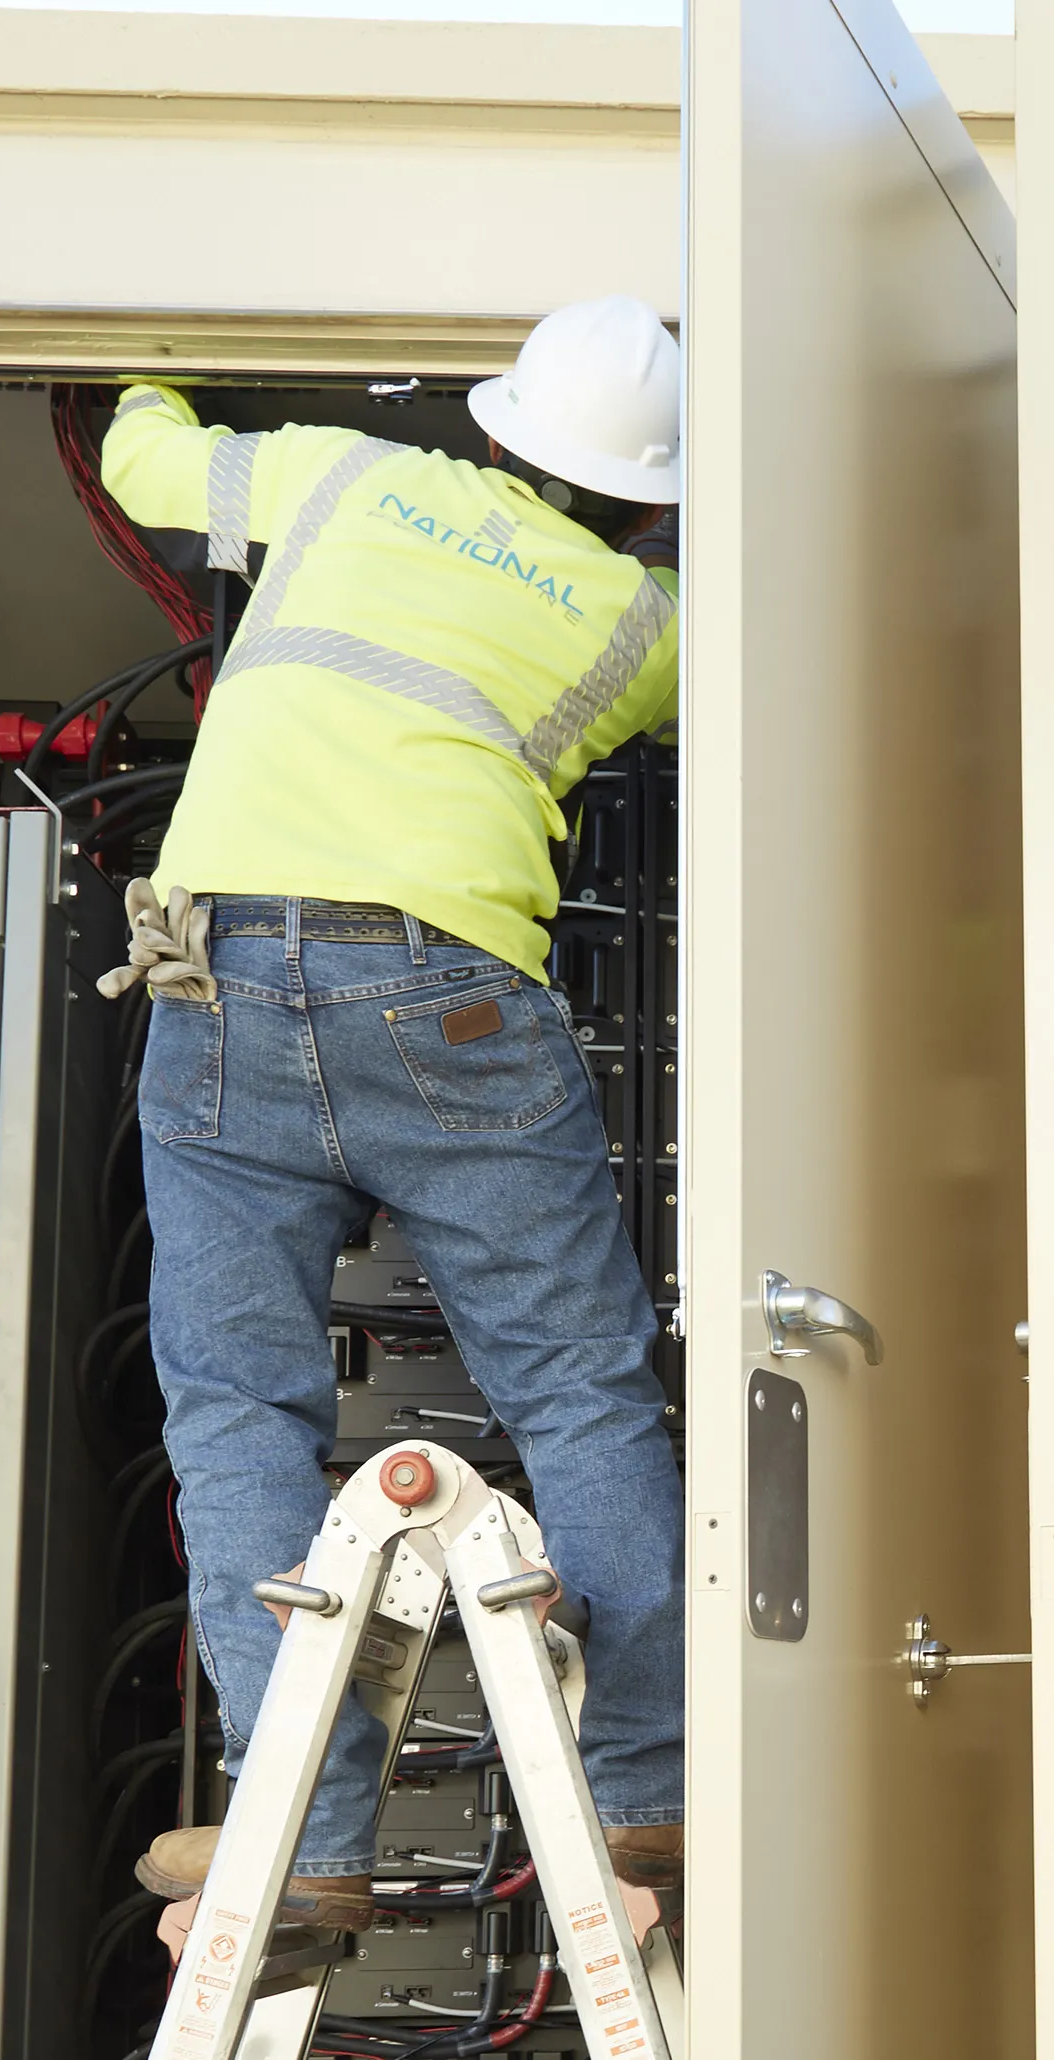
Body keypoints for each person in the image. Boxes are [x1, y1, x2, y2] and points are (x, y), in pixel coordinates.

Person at [96, 297, 689, 1939]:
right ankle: (652, 1799)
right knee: (578, 1395)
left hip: (218, 971)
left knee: (236, 1413)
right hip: (453, 994)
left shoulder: (349, 477)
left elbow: (144, 459)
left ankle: (307, 1838)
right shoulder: (643, 617)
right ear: (648, 499)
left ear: (492, 428)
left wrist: (131, 336)